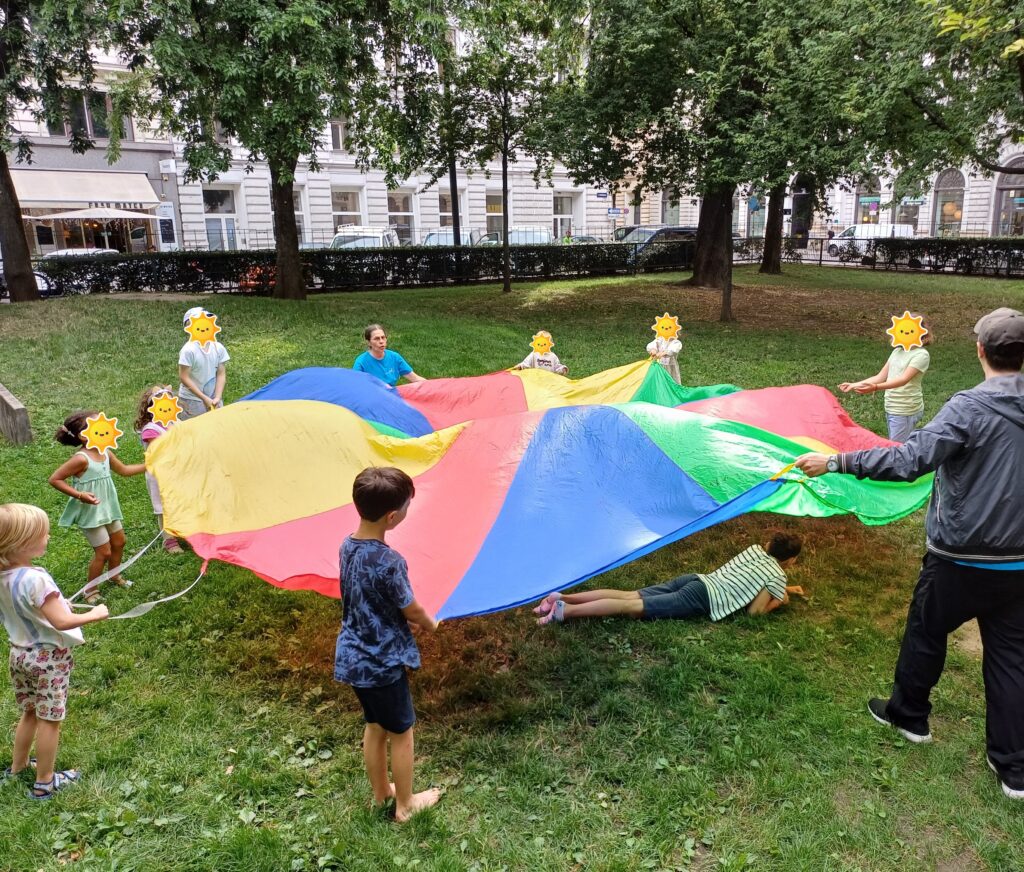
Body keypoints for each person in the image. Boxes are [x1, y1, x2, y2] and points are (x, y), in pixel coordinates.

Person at [794, 307, 1024, 801]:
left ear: (980, 351)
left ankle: (909, 716)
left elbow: (908, 459)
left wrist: (835, 461)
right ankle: (1013, 770)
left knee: (926, 631)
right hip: (1017, 565)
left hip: (959, 557)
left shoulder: (968, 408)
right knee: (1010, 660)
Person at [333, 467, 441, 822]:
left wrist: (398, 617)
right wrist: (428, 622)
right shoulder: (390, 561)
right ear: (393, 517)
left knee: (375, 727)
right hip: (382, 663)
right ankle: (406, 804)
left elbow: (365, 596)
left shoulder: (347, 546)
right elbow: (409, 605)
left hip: (353, 657)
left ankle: (382, 793)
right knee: (401, 732)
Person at [0, 503, 109, 800]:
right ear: (22, 544)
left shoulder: (3, 578)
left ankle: (17, 767)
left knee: (30, 712)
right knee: (50, 719)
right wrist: (94, 614)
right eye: (43, 533)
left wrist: (59, 606)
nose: (48, 536)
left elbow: (32, 610)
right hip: (48, 658)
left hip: (19, 655)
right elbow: (61, 621)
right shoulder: (36, 579)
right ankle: (45, 781)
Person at [534, 533, 803, 624]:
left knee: (629, 595)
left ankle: (561, 598)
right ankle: (565, 612)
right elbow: (755, 612)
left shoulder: (755, 551)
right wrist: (780, 600)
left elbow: (748, 580)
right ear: (790, 561)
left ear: (769, 545)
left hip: (696, 580)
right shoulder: (776, 575)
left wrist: (784, 587)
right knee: (630, 608)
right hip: (701, 598)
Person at [49, 411, 146, 603]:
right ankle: (90, 591)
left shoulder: (105, 452)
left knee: (119, 542)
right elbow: (55, 479)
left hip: (108, 508)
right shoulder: (81, 459)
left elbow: (124, 470)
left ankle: (114, 575)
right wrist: (80, 495)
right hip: (91, 512)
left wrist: (149, 464)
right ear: (83, 436)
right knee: (104, 552)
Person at [839, 314, 932, 442]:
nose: (905, 333)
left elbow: (903, 380)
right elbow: (880, 376)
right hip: (892, 406)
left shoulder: (921, 355)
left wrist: (876, 388)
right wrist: (854, 384)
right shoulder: (897, 352)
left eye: (910, 330)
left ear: (921, 332)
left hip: (905, 409)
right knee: (898, 447)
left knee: (897, 451)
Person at [135, 385, 183, 554]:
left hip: (178, 470)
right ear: (152, 409)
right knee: (163, 507)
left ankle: (181, 529)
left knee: (179, 501)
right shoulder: (151, 429)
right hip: (160, 475)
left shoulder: (176, 422)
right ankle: (169, 540)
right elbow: (158, 452)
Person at [178, 306, 229, 419]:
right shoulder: (188, 350)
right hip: (192, 399)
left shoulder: (218, 347)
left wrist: (217, 397)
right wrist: (204, 398)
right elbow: (184, 377)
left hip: (213, 397)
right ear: (189, 327)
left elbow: (221, 374)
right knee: (195, 431)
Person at [353, 324, 426, 387]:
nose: (381, 341)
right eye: (377, 339)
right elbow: (356, 387)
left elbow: (415, 378)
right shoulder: (361, 362)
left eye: (383, 337)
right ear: (369, 342)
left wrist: (433, 386)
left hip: (391, 396)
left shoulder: (394, 357)